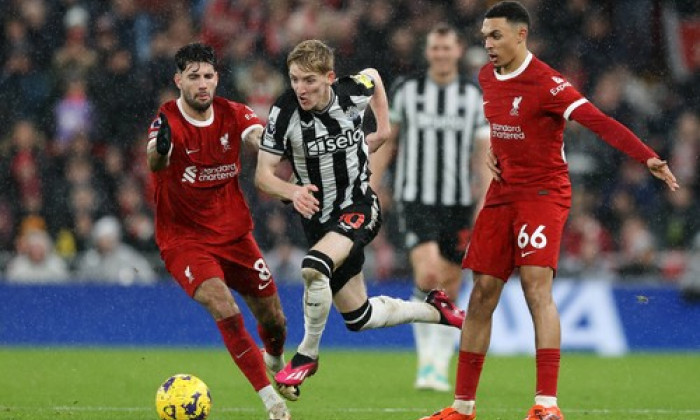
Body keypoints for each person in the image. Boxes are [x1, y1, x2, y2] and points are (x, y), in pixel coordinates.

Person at [421, 2, 679, 420]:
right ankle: (462, 408)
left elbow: (599, 121)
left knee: (535, 286)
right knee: (483, 292)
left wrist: (646, 156)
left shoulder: (548, 83)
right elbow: (500, 126)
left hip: (543, 193)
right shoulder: (486, 76)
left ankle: (545, 405)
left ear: (521, 35)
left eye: (496, 36)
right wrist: (496, 155)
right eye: (485, 36)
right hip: (503, 194)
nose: (487, 43)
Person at [255, 39, 466, 395]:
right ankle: (435, 310)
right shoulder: (284, 112)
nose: (300, 88)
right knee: (359, 317)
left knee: (313, 266)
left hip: (359, 207)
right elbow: (263, 174)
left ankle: (307, 355)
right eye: (294, 79)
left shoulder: (351, 92)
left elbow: (374, 77)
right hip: (320, 222)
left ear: (330, 77)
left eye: (309, 80)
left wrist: (383, 128)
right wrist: (293, 191)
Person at [146, 42, 291, 420]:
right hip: (185, 241)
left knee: (274, 320)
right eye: (193, 77)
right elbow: (155, 159)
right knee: (223, 305)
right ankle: (270, 402)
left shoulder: (232, 112)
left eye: (208, 76)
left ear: (217, 79)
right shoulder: (166, 120)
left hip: (235, 236)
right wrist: (161, 150)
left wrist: (266, 144)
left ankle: (274, 359)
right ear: (179, 80)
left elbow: (255, 134)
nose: (202, 84)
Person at [370, 23, 490, 392]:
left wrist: (484, 206)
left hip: (457, 203)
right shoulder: (408, 90)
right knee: (428, 276)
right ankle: (428, 365)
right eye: (435, 48)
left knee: (452, 286)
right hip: (414, 197)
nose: (440, 54)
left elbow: (484, 156)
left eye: (446, 48)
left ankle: (439, 362)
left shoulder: (474, 95)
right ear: (428, 53)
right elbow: (388, 143)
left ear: (457, 52)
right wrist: (370, 187)